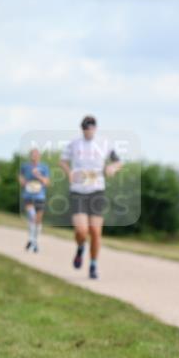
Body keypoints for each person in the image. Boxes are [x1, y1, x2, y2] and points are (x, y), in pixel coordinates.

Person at [59, 115, 122, 279]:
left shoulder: (104, 143)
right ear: (82, 129)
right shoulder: (74, 144)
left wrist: (112, 168)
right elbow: (63, 161)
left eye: (91, 128)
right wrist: (69, 173)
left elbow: (118, 162)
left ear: (95, 128)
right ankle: (80, 247)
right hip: (78, 191)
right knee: (81, 230)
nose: (88, 131)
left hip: (97, 190)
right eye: (86, 128)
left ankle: (93, 265)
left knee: (95, 230)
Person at [18, 148, 51, 252]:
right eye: (32, 154)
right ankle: (31, 239)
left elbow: (47, 182)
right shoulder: (25, 166)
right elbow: (20, 176)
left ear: (39, 156)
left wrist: (38, 176)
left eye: (36, 154)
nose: (34, 156)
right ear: (30, 156)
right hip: (28, 195)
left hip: (40, 196)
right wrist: (22, 181)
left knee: (38, 220)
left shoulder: (44, 167)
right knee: (32, 215)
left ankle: (35, 241)